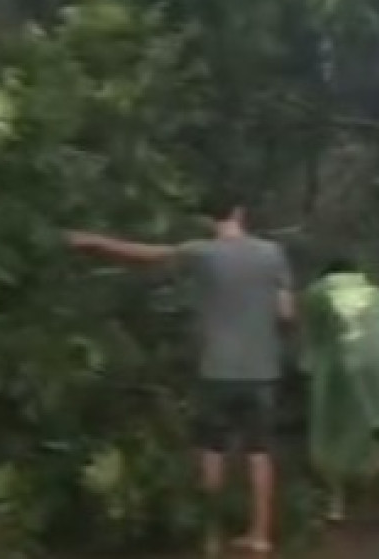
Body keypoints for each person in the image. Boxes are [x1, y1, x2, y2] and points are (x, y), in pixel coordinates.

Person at [66, 196, 293, 556]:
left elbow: (146, 255)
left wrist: (93, 241)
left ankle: (210, 537)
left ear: (208, 218)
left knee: (212, 452)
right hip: (262, 371)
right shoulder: (272, 253)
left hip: (216, 369)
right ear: (240, 212)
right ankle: (260, 535)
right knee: (260, 453)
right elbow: (286, 312)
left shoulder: (201, 252)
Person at [300, 256, 379, 534]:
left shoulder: (316, 294)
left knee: (333, 435)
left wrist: (311, 371)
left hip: (342, 372)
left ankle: (336, 504)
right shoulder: (378, 295)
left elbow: (314, 342)